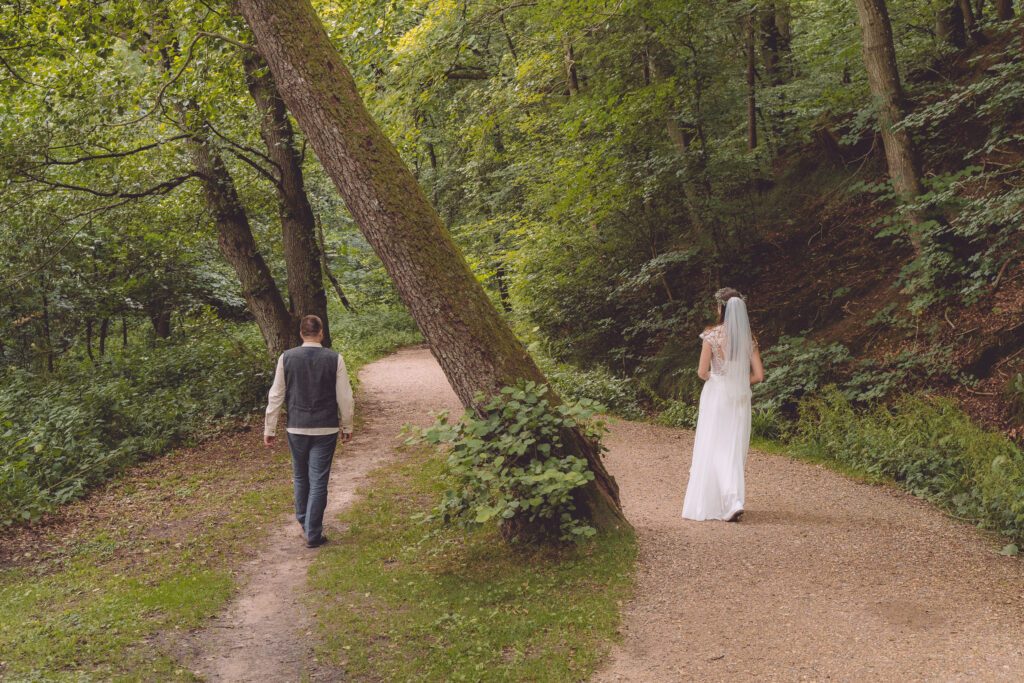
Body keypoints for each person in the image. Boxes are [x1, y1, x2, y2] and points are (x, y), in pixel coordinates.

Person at [264, 315, 354, 548]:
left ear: (301, 333)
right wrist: (347, 425)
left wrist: (270, 428)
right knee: (318, 480)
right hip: (325, 427)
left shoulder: (287, 358)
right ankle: (312, 531)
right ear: (321, 332)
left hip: (297, 426)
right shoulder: (335, 359)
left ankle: (305, 522)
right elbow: (344, 396)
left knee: (301, 476)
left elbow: (276, 395)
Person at [682, 288, 765, 522]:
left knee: (714, 444)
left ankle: (729, 500)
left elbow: (701, 372)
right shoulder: (749, 339)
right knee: (733, 448)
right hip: (739, 398)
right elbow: (758, 375)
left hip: (717, 395)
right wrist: (738, 381)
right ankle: (732, 499)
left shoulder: (712, 336)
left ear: (721, 308)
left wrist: (718, 379)